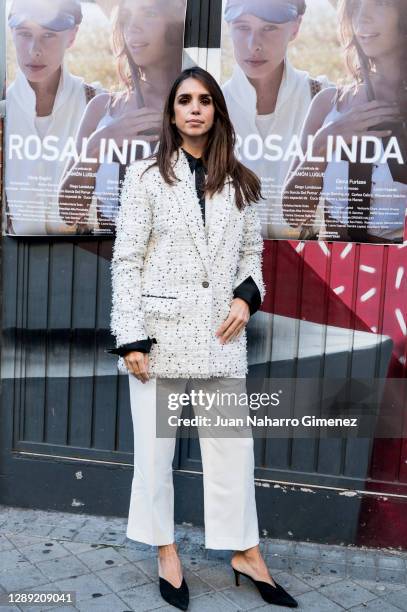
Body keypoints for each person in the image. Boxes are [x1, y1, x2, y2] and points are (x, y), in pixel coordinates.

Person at [108, 66, 298, 610]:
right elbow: (126, 262)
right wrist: (131, 338)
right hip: (159, 338)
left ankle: (245, 552)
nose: (195, 108)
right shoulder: (145, 177)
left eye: (206, 100)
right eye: (185, 100)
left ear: (217, 111)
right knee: (154, 453)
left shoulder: (241, 181)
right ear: (172, 112)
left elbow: (251, 257)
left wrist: (247, 297)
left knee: (233, 453)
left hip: (220, 334)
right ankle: (166, 551)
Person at [282, 0, 407, 243]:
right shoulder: (327, 103)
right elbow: (293, 215)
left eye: (379, 4)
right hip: (331, 272)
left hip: (397, 275)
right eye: (356, 7)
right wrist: (323, 143)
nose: (363, 17)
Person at [58, 0, 186, 234]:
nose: (133, 27)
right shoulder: (102, 109)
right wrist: (98, 145)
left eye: (148, 13)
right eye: (127, 17)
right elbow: (69, 213)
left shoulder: (201, 109)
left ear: (175, 24)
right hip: (106, 262)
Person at [221, 0, 330, 240]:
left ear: (295, 27)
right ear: (228, 27)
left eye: (269, 28)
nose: (253, 45)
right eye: (242, 27)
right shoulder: (211, 108)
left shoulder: (323, 98)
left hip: (307, 267)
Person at [5, 0, 101, 235]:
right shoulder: (3, 111)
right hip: (15, 262)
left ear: (72, 36)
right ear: (11, 33)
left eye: (48, 35)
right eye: (25, 33)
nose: (34, 50)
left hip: (83, 260)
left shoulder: (99, 105)